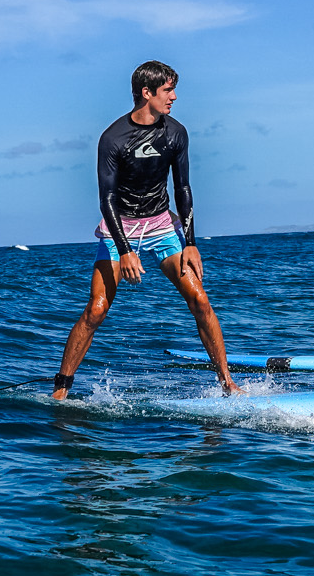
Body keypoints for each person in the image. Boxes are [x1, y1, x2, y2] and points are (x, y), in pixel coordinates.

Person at [52, 61, 236, 399]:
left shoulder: (176, 133)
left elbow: (183, 189)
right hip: (118, 226)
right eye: (168, 90)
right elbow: (105, 199)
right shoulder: (112, 139)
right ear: (147, 93)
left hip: (162, 226)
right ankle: (61, 388)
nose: (175, 97)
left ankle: (228, 384)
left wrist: (191, 242)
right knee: (96, 309)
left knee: (200, 300)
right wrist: (124, 250)